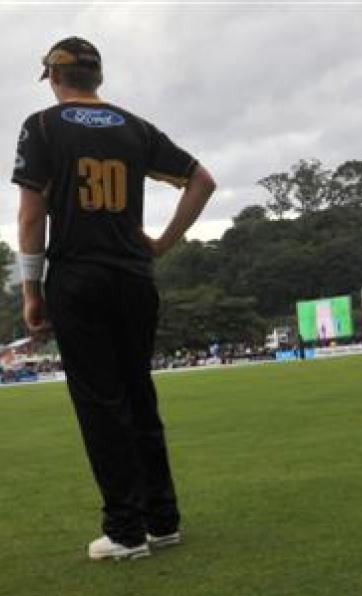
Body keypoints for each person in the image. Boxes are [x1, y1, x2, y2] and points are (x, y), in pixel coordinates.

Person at [12, 37, 215, 560]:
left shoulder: (41, 127)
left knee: (101, 405)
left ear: (56, 78)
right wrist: (162, 244)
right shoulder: (135, 127)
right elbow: (202, 181)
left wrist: (30, 290)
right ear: (96, 77)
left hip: (79, 276)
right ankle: (162, 520)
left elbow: (32, 216)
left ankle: (124, 532)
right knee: (138, 397)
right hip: (134, 277)